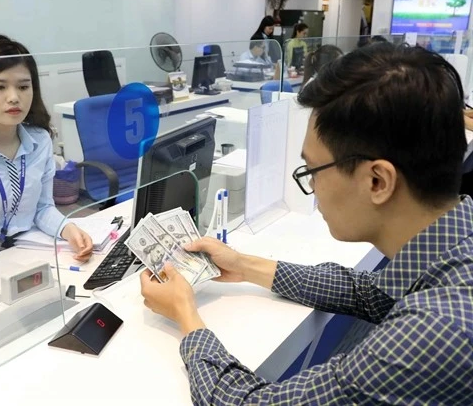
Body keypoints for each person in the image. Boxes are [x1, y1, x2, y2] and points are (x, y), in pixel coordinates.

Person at [140, 43, 473, 404]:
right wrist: (244, 265)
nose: (311, 186)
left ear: (377, 181)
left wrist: (185, 315)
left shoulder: (436, 331)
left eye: (313, 170)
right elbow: (370, 293)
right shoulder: (454, 242)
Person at [0, 35, 92, 260]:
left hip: (26, 245)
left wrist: (68, 229)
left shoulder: (40, 140)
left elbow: (43, 209)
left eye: (24, 86)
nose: (14, 97)